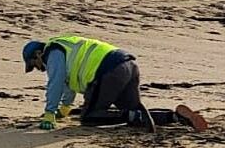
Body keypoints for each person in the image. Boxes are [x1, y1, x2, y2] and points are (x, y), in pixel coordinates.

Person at [22, 37, 206, 133]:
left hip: (106, 71)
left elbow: (55, 82)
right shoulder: (65, 46)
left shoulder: (52, 53)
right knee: (136, 113)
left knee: (89, 117)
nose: (37, 68)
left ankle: (132, 115)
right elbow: (67, 84)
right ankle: (176, 117)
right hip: (128, 65)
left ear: (38, 54)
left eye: (33, 64)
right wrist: (64, 109)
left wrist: (49, 114)